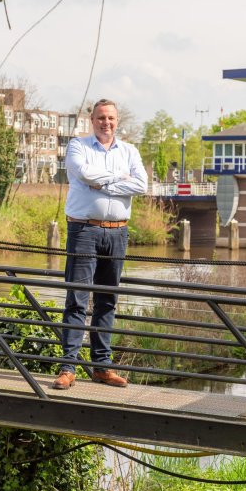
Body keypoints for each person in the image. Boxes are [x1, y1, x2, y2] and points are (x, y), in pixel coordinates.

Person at [53, 99, 148, 390]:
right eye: (101, 118)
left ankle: (102, 367)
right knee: (77, 299)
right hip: (84, 229)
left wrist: (105, 182)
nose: (106, 122)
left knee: (107, 300)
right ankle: (68, 367)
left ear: (117, 121)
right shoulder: (78, 147)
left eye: (111, 118)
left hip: (118, 233)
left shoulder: (129, 150)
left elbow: (141, 185)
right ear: (91, 120)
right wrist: (121, 178)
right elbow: (84, 174)